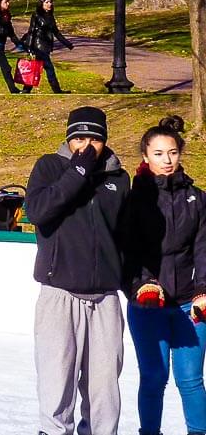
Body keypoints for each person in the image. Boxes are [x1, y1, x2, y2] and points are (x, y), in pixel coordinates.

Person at [26, 106, 130, 435]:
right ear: (69, 139)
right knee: (57, 383)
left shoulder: (118, 179)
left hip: (104, 300)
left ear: (105, 142)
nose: (86, 146)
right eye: (79, 138)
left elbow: (127, 236)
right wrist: (77, 173)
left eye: (95, 139)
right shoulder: (49, 166)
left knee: (104, 392)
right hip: (59, 295)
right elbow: (38, 212)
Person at [120, 115, 206, 435]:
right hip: (148, 305)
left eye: (172, 152)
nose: (166, 160)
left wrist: (203, 289)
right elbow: (127, 251)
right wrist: (143, 284)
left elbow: (203, 249)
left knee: (191, 381)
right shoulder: (134, 200)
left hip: (189, 305)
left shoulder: (197, 198)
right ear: (145, 156)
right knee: (154, 378)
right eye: (158, 153)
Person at [23, 0, 75, 94]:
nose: (49, 4)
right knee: (49, 68)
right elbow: (31, 31)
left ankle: (26, 89)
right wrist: (29, 48)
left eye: (50, 2)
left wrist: (67, 44)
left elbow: (56, 32)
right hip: (38, 46)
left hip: (46, 46)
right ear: (41, 4)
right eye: (46, 2)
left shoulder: (50, 16)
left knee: (36, 69)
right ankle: (57, 90)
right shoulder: (36, 15)